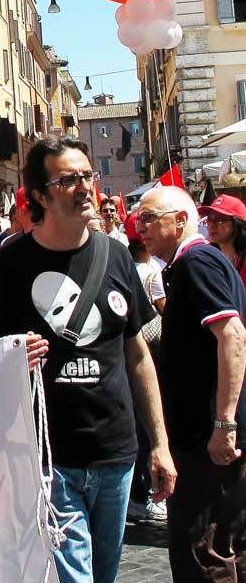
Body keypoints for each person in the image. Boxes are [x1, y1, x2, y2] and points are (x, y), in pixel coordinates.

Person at [0, 136, 175, 583]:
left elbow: (137, 356)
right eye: (67, 180)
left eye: (86, 176)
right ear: (39, 195)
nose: (83, 187)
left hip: (116, 453)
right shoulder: (10, 265)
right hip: (48, 460)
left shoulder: (117, 257)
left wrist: (160, 444)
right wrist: (14, 350)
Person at [138, 184, 246, 583]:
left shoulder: (196, 263)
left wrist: (224, 423)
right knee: (224, 549)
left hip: (207, 441)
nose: (138, 227)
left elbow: (232, 335)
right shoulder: (192, 265)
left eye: (147, 219)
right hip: (207, 438)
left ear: (178, 222)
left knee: (205, 556)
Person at [123, 211, 168, 524]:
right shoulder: (153, 273)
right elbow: (161, 314)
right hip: (147, 353)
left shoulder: (132, 267)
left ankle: (140, 494)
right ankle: (145, 494)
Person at [198, 193, 246, 290]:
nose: (211, 225)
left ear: (236, 224)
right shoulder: (210, 259)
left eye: (219, 220)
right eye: (209, 219)